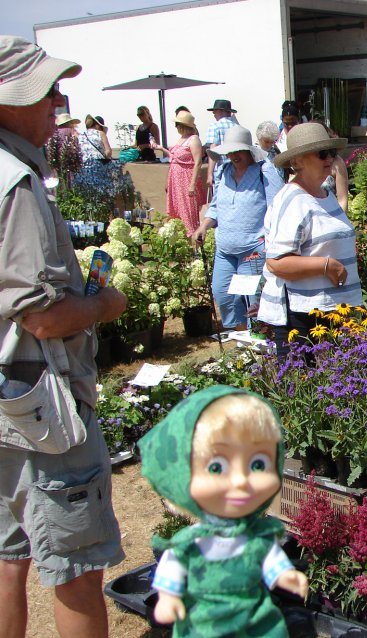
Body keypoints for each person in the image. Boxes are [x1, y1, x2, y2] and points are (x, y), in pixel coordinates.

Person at [0, 35, 127, 637]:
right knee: (76, 568)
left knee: (8, 555)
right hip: (39, 406)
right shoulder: (17, 184)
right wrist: (104, 302)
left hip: (5, 397)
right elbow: (42, 318)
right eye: (46, 89)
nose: (59, 99)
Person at [139, 385, 308, 637]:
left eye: (258, 464)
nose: (241, 481)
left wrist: (283, 575)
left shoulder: (257, 536)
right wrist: (168, 597)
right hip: (206, 621)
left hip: (256, 619)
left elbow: (270, 558)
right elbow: (173, 565)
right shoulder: (192, 540)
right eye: (217, 468)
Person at [260, 122, 362, 356]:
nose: (330, 159)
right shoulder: (293, 199)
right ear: (298, 161)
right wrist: (326, 265)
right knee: (307, 387)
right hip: (302, 318)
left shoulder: (324, 195)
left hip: (330, 311)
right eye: (322, 153)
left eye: (332, 153)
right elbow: (276, 262)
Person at [192, 126, 283, 331]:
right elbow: (216, 206)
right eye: (230, 151)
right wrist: (204, 226)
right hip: (225, 249)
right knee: (223, 295)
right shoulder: (224, 171)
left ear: (249, 151)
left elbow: (276, 208)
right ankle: (243, 342)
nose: (233, 155)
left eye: (238, 151)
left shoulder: (264, 171)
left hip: (253, 249)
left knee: (251, 301)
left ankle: (258, 347)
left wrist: (270, 242)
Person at [151, 111, 206, 235]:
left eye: (177, 124)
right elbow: (174, 157)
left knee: (188, 209)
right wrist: (161, 148)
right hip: (176, 179)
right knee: (177, 209)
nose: (176, 127)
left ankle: (193, 237)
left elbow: (198, 162)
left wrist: (192, 184)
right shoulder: (182, 139)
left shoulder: (194, 139)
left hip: (186, 178)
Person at [313, 120, 350, 213]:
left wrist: (340, 220)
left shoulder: (337, 162)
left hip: (332, 215)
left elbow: (343, 200)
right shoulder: (308, 163)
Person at [204, 98, 239, 189]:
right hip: (238, 168)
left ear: (221, 111)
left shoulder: (215, 126)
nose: (213, 113)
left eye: (215, 111)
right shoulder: (237, 126)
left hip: (221, 168)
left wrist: (209, 174)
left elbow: (213, 149)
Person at [74, 114, 114, 190]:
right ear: (98, 125)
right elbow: (108, 151)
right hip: (99, 164)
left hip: (84, 164)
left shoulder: (81, 135)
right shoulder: (101, 134)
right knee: (102, 187)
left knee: (88, 188)